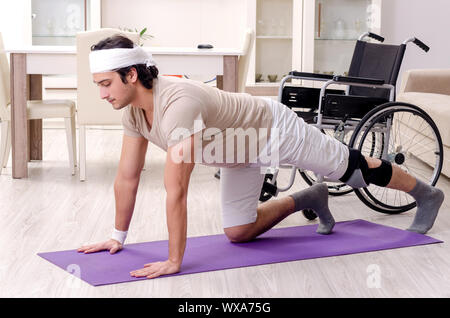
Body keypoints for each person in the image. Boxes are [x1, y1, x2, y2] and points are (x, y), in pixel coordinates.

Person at [78, 35, 444, 279]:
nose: (101, 94)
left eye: (105, 83)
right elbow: (127, 177)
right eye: (97, 85)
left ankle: (426, 194)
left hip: (272, 131)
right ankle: (310, 197)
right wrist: (117, 237)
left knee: (352, 170)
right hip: (237, 154)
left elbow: (176, 189)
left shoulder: (178, 103)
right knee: (238, 232)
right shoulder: (131, 112)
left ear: (130, 74)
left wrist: (175, 261)